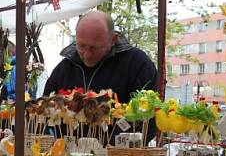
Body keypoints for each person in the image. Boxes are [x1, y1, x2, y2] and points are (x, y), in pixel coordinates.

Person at [43, 11, 159, 139]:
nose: (87, 54)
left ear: (113, 39)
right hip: (67, 154)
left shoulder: (137, 64)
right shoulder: (63, 69)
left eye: (94, 48)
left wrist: (113, 148)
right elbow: (44, 113)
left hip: (120, 155)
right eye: (81, 46)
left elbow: (149, 118)